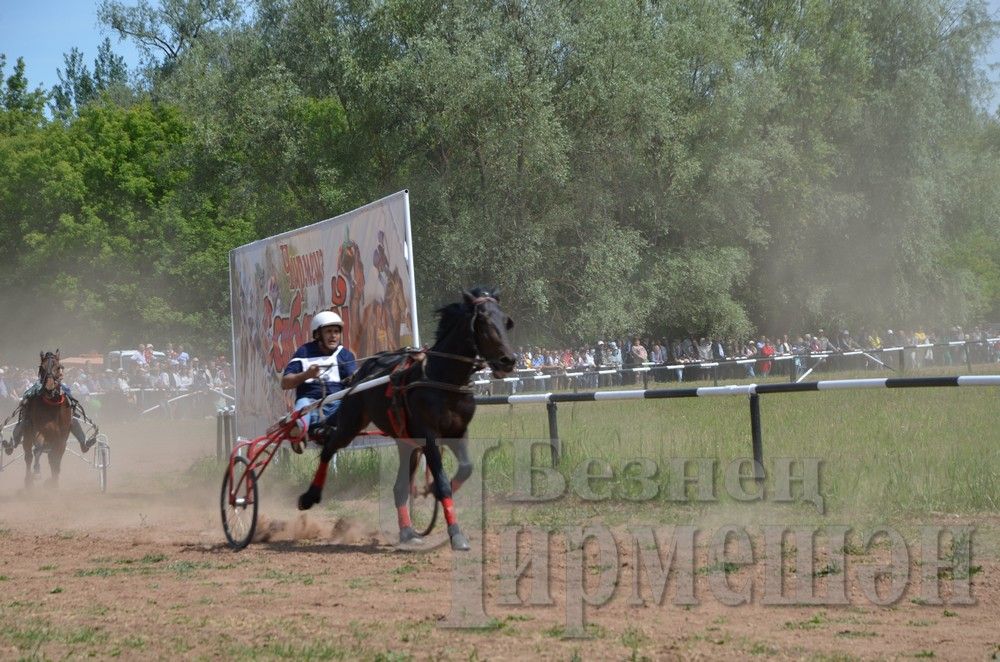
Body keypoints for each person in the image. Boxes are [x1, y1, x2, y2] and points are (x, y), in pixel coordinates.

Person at [280, 310, 357, 453]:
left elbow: (353, 380)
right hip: (309, 404)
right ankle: (299, 432)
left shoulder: (344, 355)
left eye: (336, 331)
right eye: (328, 331)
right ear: (317, 335)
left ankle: (315, 430)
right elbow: (285, 383)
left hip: (336, 405)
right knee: (302, 409)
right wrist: (306, 374)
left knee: (352, 407)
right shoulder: (304, 352)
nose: (333, 336)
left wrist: (354, 379)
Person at [11, 356, 95, 453]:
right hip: (37, 415)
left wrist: (72, 402)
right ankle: (13, 443)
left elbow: (69, 395)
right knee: (25, 422)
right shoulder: (38, 385)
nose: (60, 374)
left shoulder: (63, 387)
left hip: (58, 415)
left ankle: (83, 443)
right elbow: (28, 393)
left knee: (73, 421)